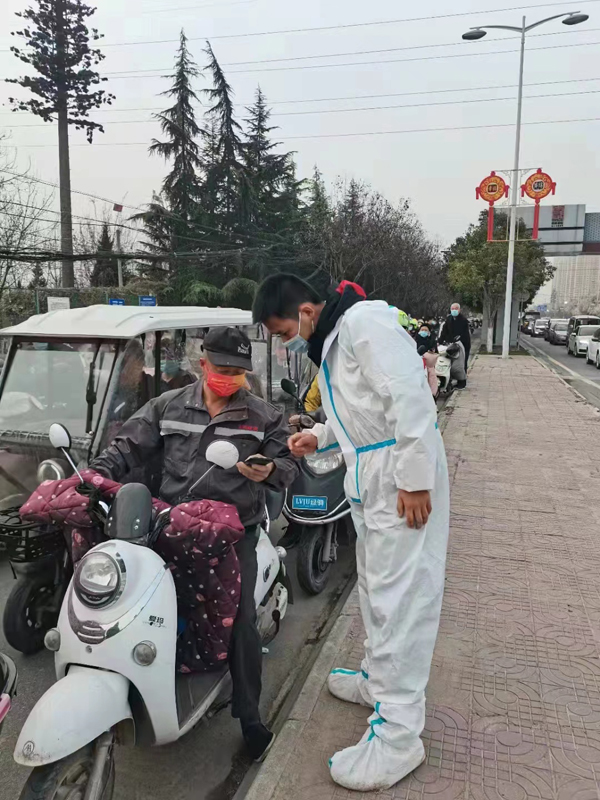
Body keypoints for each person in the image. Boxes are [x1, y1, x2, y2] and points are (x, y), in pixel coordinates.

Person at [253, 274, 449, 791]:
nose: (285, 343)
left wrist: (415, 480)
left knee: (401, 602)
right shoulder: (335, 342)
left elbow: (408, 397)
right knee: (375, 590)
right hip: (373, 479)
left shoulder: (365, 324)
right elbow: (360, 413)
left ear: (304, 311)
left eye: (282, 332)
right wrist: (318, 436)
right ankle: (376, 680)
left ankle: (399, 736)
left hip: (398, 480)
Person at [91, 326, 299, 761]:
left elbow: (287, 465)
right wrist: (96, 476)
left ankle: (249, 716)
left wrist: (269, 471)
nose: (230, 378)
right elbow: (127, 446)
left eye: (238, 372)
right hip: (170, 523)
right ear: (202, 364)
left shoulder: (263, 415)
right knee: (124, 596)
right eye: (222, 369)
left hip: (232, 534)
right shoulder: (167, 406)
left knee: (241, 620)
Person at [439, 302, 471, 370]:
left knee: (462, 363)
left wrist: (458, 339)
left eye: (456, 309)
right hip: (451, 344)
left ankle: (463, 375)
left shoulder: (463, 320)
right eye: (452, 309)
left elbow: (465, 334)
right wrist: (440, 341)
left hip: (462, 344)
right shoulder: (448, 319)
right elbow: (444, 331)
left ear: (459, 310)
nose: (454, 310)